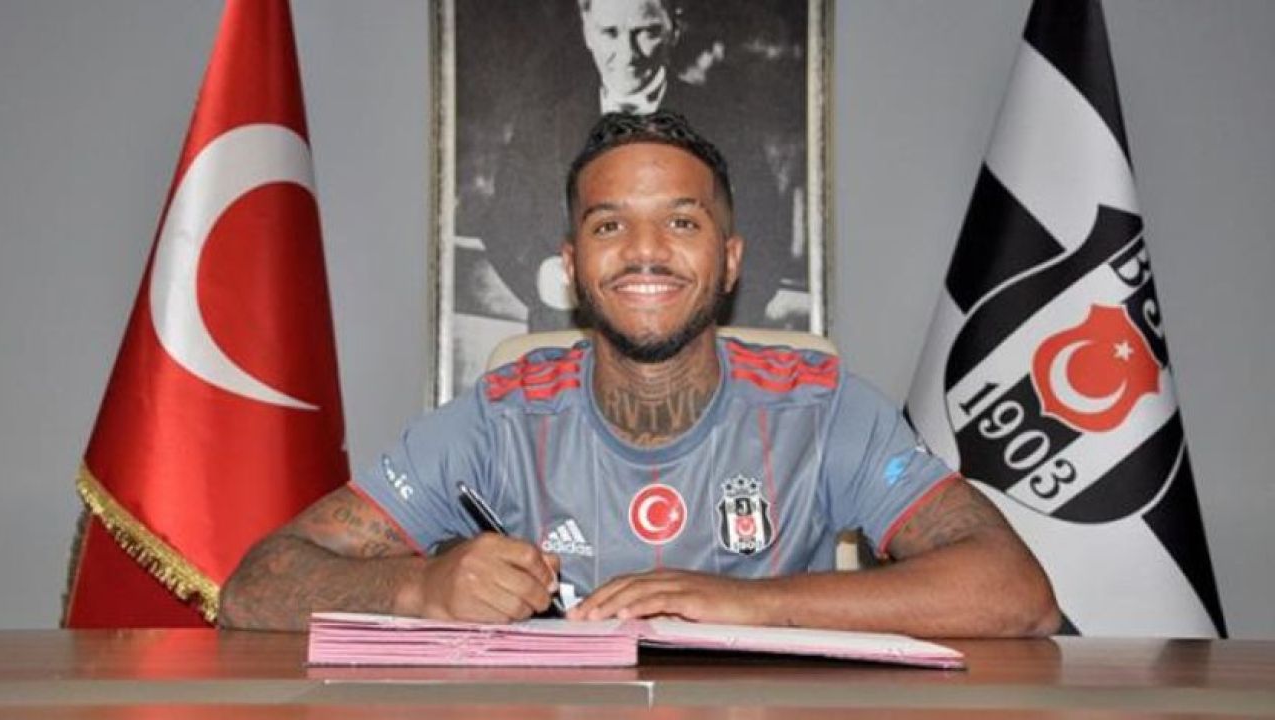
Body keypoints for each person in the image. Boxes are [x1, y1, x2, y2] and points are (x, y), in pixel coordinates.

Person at [220, 111, 1060, 636]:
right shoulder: (497, 419)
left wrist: (744, 604)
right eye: (610, 225)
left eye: (682, 223)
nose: (646, 252)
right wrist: (422, 588)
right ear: (572, 265)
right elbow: (254, 589)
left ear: (730, 260)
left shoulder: (820, 406)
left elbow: (1016, 593)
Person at [457, 0, 803, 338]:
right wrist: (541, 277)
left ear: (673, 30)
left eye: (645, 32)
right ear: (587, 31)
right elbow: (503, 224)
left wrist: (710, 329)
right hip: (567, 346)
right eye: (610, 32)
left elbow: (767, 242)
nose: (628, 53)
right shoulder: (543, 127)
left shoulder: (729, 127)